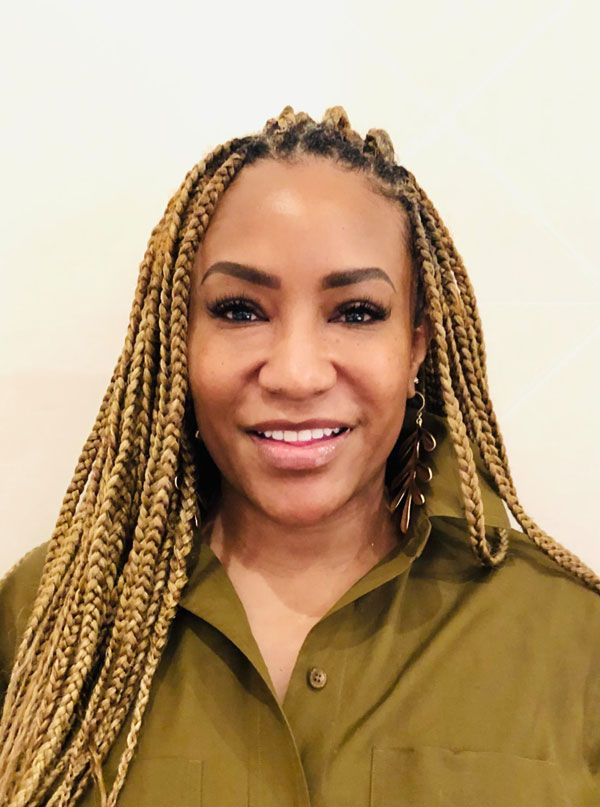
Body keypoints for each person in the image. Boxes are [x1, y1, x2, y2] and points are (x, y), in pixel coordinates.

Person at [0, 105, 598, 807]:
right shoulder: (44, 623)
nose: (296, 373)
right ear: (176, 344)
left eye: (356, 312)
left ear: (416, 347)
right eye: (240, 310)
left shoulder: (573, 641)